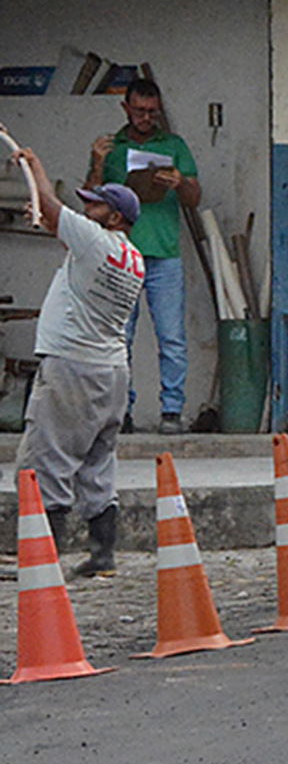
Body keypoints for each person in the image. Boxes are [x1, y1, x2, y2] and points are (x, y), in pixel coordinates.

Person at [8, 130, 145, 579]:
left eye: (97, 205)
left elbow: (51, 207)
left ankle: (39, 560)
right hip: (113, 370)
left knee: (44, 460)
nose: (88, 209)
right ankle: (102, 555)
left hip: (72, 367)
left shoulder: (95, 241)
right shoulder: (131, 257)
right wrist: (47, 208)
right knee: (97, 464)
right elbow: (59, 224)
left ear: (115, 217)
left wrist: (33, 166)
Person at [85, 75, 198, 432]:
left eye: (152, 112)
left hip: (164, 253)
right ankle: (123, 411)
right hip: (121, 254)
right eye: (139, 111)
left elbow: (194, 198)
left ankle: (172, 412)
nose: (146, 118)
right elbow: (90, 203)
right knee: (120, 337)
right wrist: (98, 164)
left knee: (171, 337)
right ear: (125, 108)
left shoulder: (174, 145)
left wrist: (180, 182)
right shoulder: (111, 147)